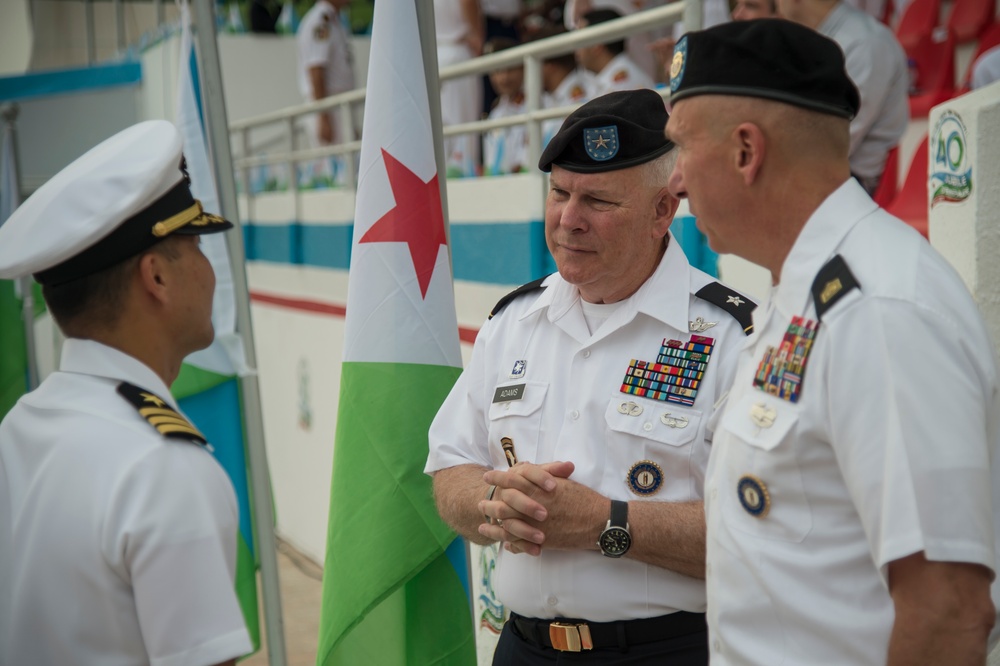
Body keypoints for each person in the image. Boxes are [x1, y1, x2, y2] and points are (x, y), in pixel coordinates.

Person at [665, 19, 1000, 664]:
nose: (675, 181)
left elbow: (948, 610)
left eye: (681, 147)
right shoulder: (806, 289)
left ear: (745, 151)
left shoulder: (878, 311)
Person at [426, 89, 756, 665]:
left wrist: (607, 524)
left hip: (669, 651)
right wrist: (495, 504)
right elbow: (450, 466)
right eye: (559, 192)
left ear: (662, 210)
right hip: (523, 648)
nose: (568, 220)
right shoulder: (513, 322)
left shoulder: (734, 336)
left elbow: (761, 532)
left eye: (598, 200)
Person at [0, 120, 253, 665]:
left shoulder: (19, 427)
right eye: (198, 246)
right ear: (156, 277)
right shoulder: (161, 466)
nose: (211, 272)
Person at [778, 0, 908, 195]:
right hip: (821, 174)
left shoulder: (864, 42)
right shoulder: (824, 38)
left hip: (851, 184)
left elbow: (831, 145)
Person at [296, 0, 356, 184]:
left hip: (338, 107)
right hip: (328, 107)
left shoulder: (334, 21)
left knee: (347, 172)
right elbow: (316, 69)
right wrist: (323, 114)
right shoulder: (320, 21)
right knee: (335, 176)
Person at [435, 0, 485, 177]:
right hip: (457, 49)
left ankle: (451, 166)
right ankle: (464, 168)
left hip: (437, 51)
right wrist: (477, 34)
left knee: (445, 118)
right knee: (463, 118)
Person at [575, 9, 656, 96]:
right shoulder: (610, 77)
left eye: (580, 40)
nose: (575, 49)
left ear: (596, 46)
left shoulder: (621, 82)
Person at [483, 37, 529, 175]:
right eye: (497, 71)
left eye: (510, 69)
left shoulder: (541, 104)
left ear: (522, 68)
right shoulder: (495, 112)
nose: (504, 78)